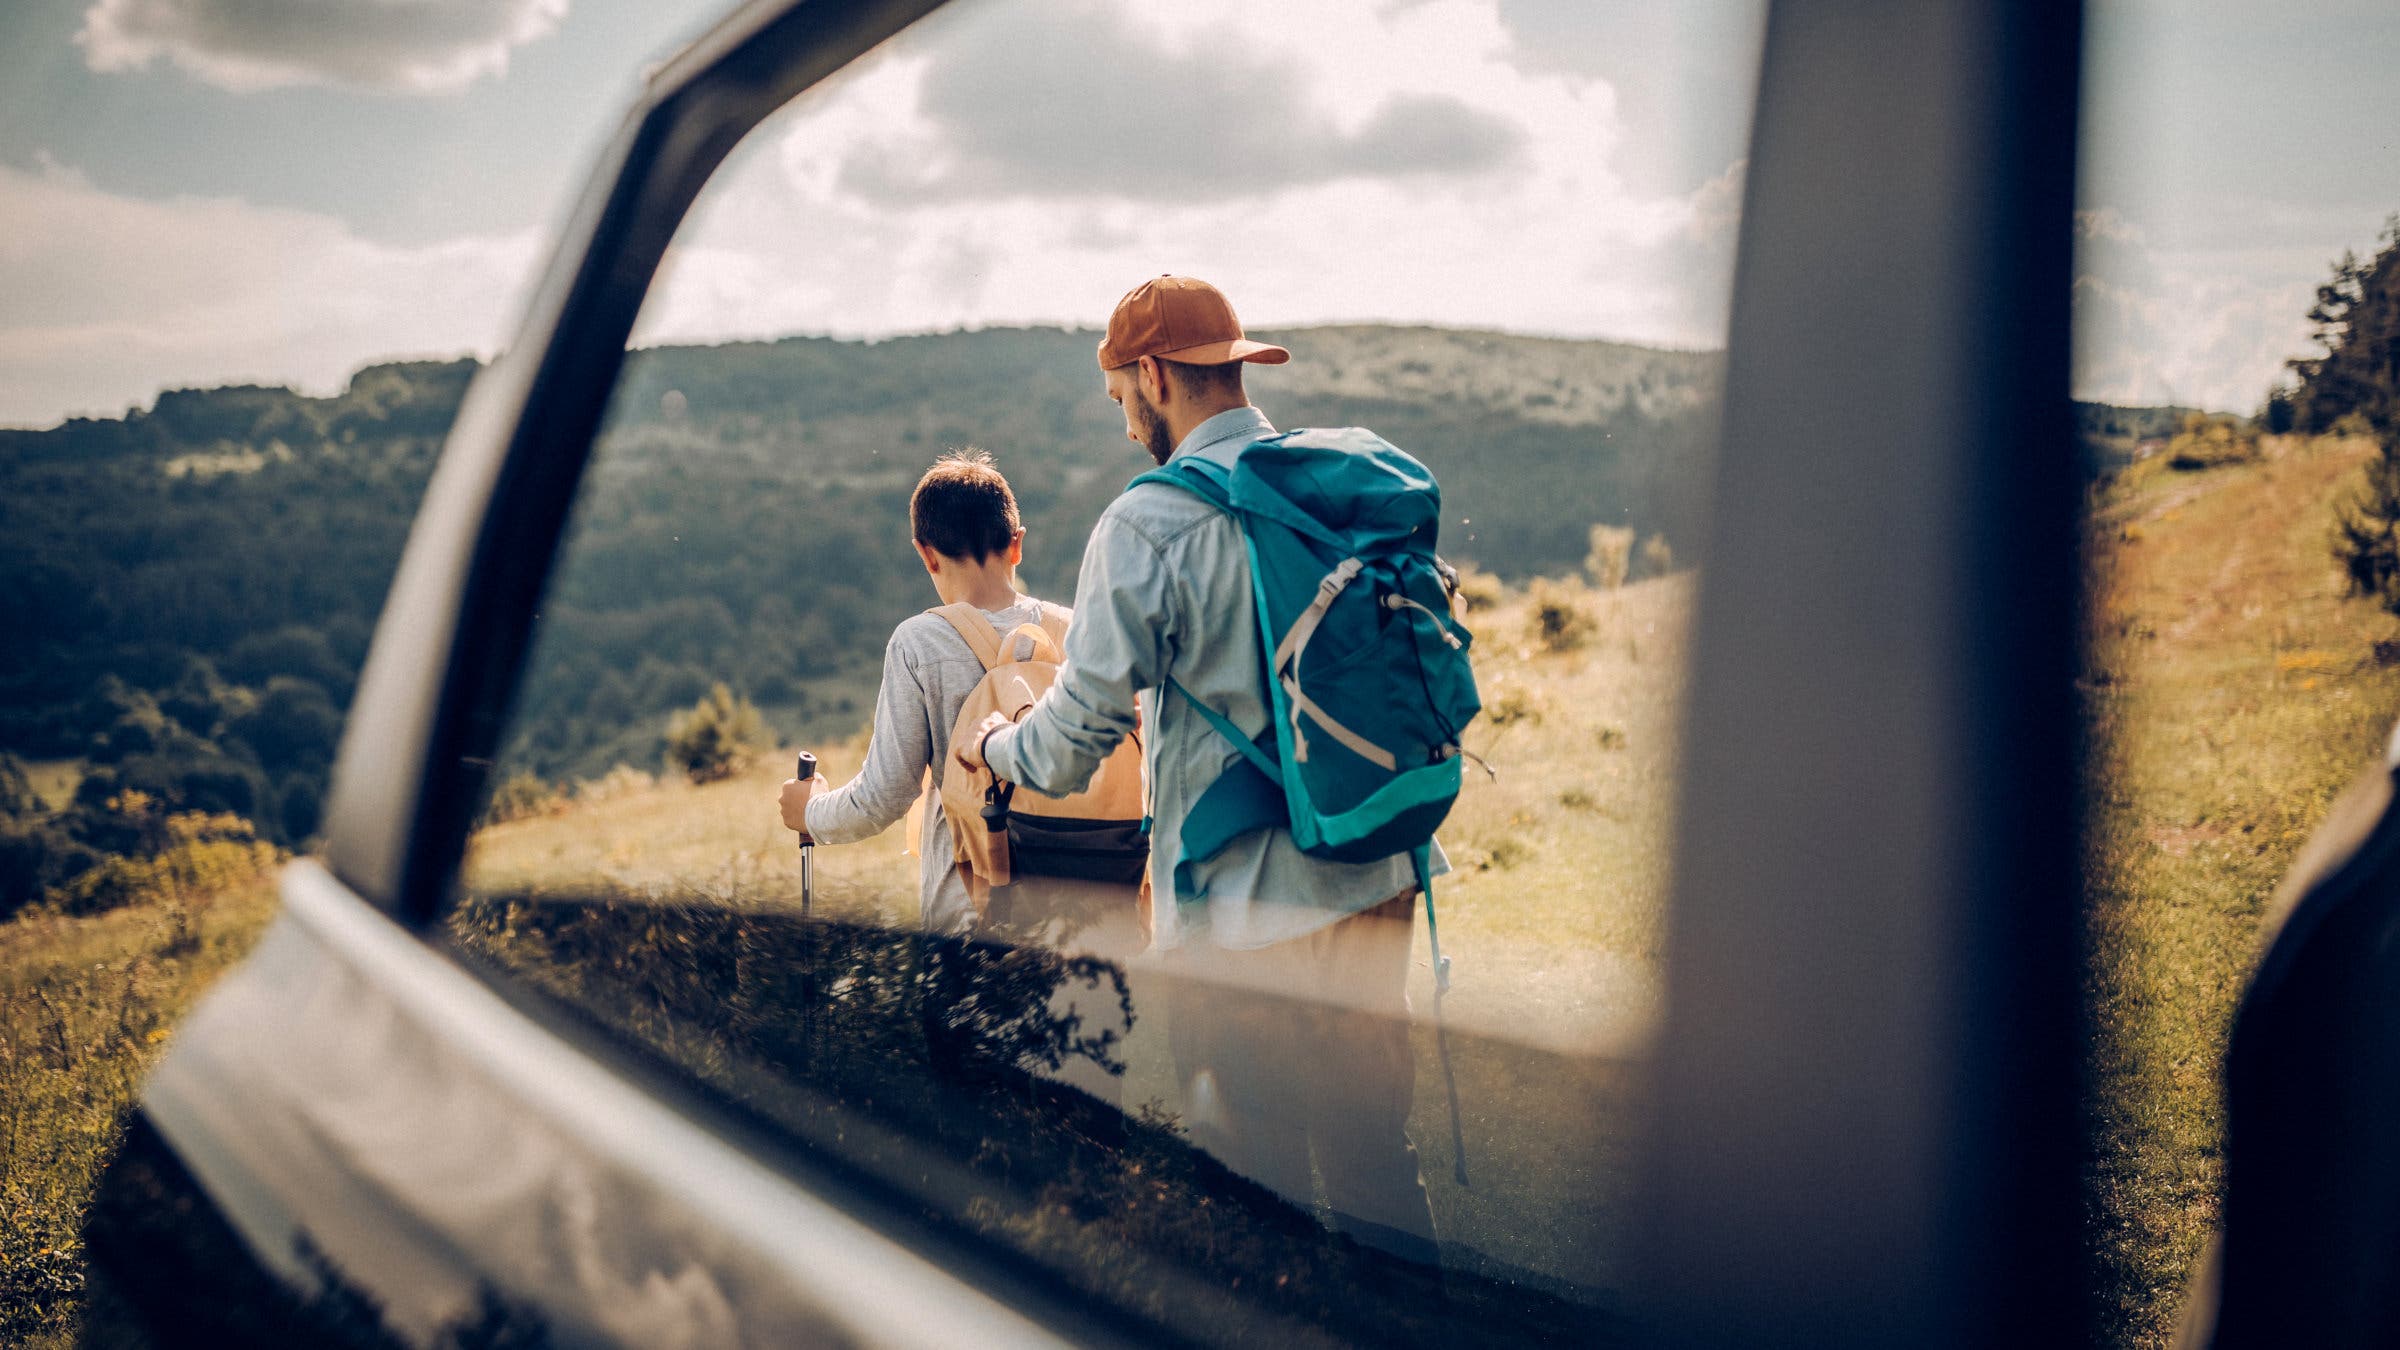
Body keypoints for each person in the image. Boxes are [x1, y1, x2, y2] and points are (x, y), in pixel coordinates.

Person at [954, 275, 1446, 1266]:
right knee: (1373, 1161)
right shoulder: (1333, 487)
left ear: (1149, 375)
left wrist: (991, 750)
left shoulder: (1146, 524)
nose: (1122, 419)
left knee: (1249, 1189)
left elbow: (1070, 741)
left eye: (1117, 397)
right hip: (1377, 866)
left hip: (1239, 910)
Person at [779, 449, 1053, 937]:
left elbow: (884, 796)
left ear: (926, 553)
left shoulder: (920, 643)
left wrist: (810, 812)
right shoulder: (1072, 631)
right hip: (1089, 922)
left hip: (973, 925)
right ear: (1017, 545)